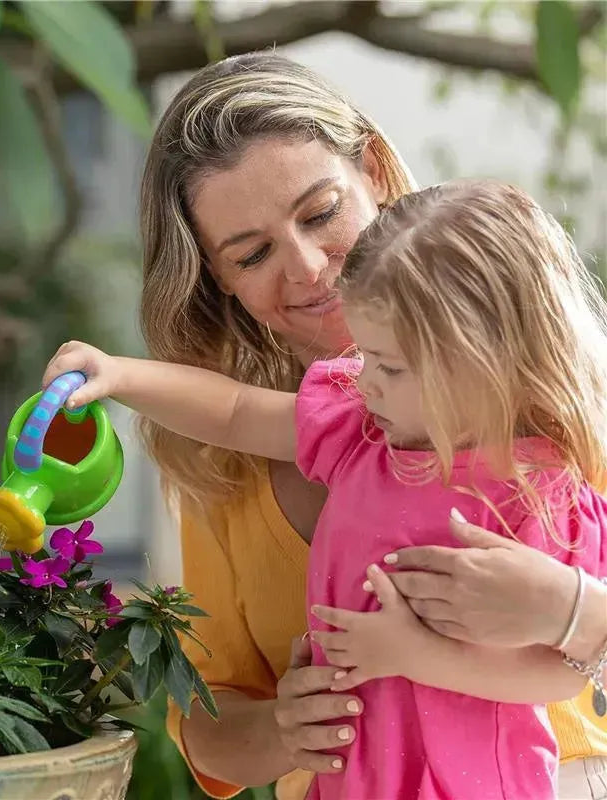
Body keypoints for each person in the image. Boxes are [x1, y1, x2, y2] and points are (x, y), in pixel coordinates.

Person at [53, 54, 607, 798]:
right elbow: (211, 728)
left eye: (320, 214)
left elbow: (551, 659)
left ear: (373, 169)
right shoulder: (285, 441)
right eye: (252, 253)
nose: (310, 268)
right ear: (217, 275)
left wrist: (575, 612)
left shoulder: (555, 416)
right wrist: (115, 374)